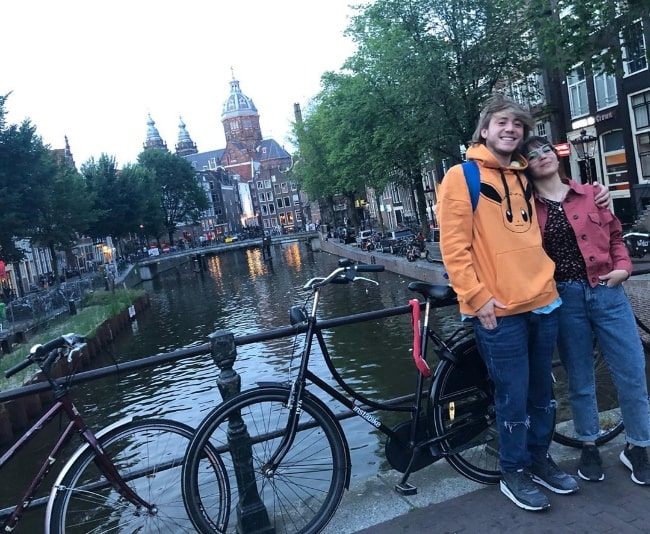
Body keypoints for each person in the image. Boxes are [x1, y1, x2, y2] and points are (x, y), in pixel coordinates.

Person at [437, 93, 579, 512]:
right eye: (502, 122)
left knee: (543, 394)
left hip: (543, 300)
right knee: (512, 395)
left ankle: (539, 459)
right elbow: (455, 246)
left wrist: (598, 194)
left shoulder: (523, 175)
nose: (510, 129)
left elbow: (562, 191)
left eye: (517, 125)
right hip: (499, 309)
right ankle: (513, 469)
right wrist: (477, 297)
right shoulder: (461, 177)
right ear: (485, 130)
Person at [521, 136, 650, 486]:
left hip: (607, 291)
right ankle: (589, 445)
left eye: (545, 149)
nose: (542, 156)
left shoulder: (592, 194)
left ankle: (638, 446)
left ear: (556, 155)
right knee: (579, 377)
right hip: (564, 298)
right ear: (526, 166)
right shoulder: (526, 208)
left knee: (632, 371)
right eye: (531, 155)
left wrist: (623, 268)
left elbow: (615, 238)